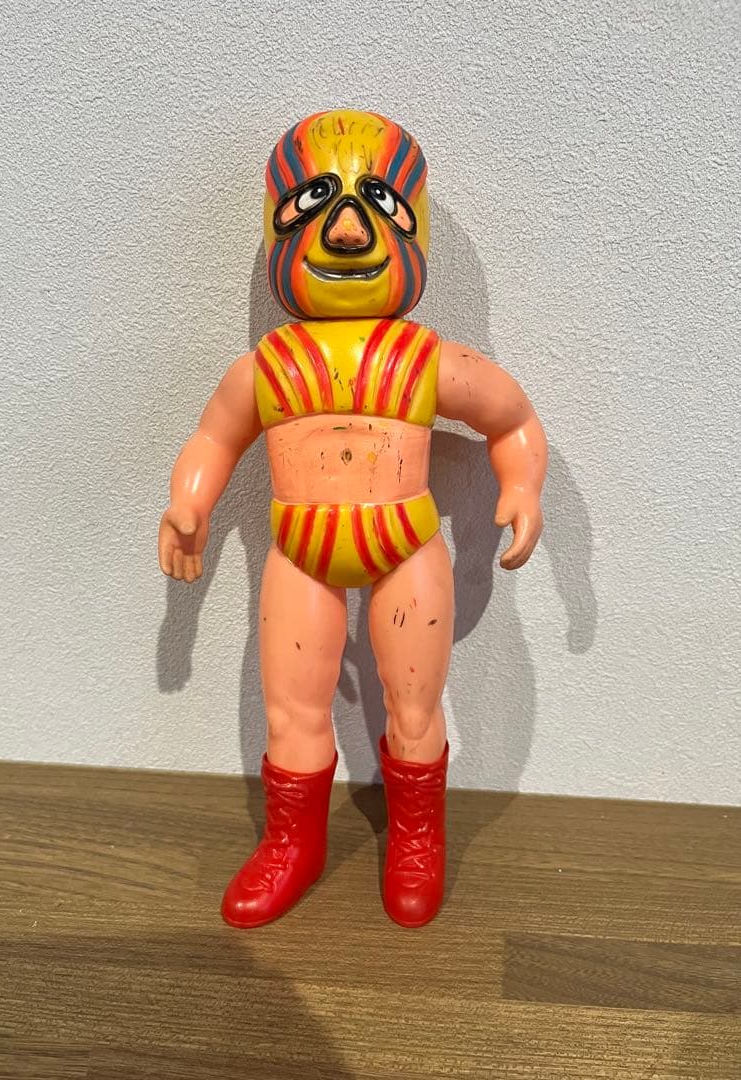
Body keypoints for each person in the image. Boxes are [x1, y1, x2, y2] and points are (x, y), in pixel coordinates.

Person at [158, 110, 547, 929]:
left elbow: (509, 416)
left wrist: (521, 483)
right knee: (292, 710)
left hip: (406, 550)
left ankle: (417, 836)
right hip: (302, 556)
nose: (344, 230)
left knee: (415, 707)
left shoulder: (425, 360)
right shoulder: (266, 368)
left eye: (378, 202)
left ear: (415, 225)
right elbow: (213, 437)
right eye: (313, 202)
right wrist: (188, 502)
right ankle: (292, 843)